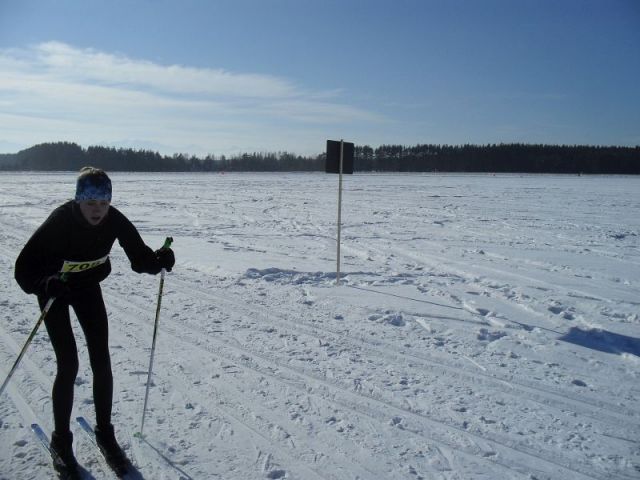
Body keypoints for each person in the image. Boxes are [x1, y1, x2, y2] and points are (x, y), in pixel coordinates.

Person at [14, 167, 175, 476]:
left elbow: (139, 259)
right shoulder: (61, 220)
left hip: (88, 287)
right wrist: (44, 283)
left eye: (103, 203)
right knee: (69, 364)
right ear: (78, 201)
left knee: (102, 360)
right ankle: (61, 442)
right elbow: (23, 268)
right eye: (91, 203)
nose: (98, 211)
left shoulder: (114, 219)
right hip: (55, 290)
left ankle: (105, 431)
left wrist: (160, 261)